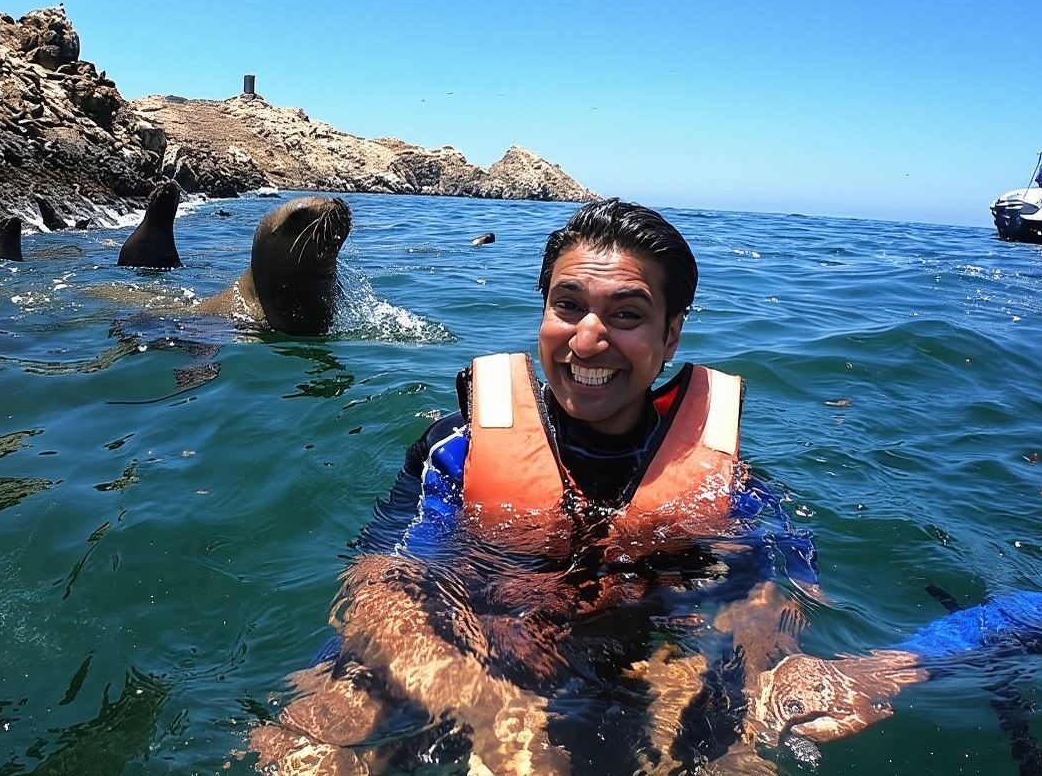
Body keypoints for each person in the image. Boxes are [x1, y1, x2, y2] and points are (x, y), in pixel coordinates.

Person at [249, 200, 910, 774]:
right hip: (457, 646)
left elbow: (770, 596)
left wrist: (778, 666)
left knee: (741, 754)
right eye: (568, 306)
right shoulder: (457, 449)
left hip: (626, 667)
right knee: (300, 745)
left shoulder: (733, 490)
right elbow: (385, 583)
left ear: (671, 334)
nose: (588, 339)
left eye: (626, 314)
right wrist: (485, 702)